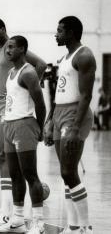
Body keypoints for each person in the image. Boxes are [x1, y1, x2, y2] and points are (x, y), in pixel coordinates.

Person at [0, 18, 47, 228]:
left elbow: (41, 68)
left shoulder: (25, 69)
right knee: (11, 168)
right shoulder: (8, 66)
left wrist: (40, 124)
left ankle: (35, 221)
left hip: (22, 119)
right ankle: (16, 217)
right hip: (8, 115)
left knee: (28, 172)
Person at [44, 16, 95, 234]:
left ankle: (85, 227)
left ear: (71, 33)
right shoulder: (64, 58)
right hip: (59, 113)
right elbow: (59, 93)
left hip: (75, 114)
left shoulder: (84, 56)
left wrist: (75, 127)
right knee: (66, 173)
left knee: (68, 171)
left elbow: (86, 95)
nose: (56, 34)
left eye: (60, 31)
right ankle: (73, 227)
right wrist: (49, 120)